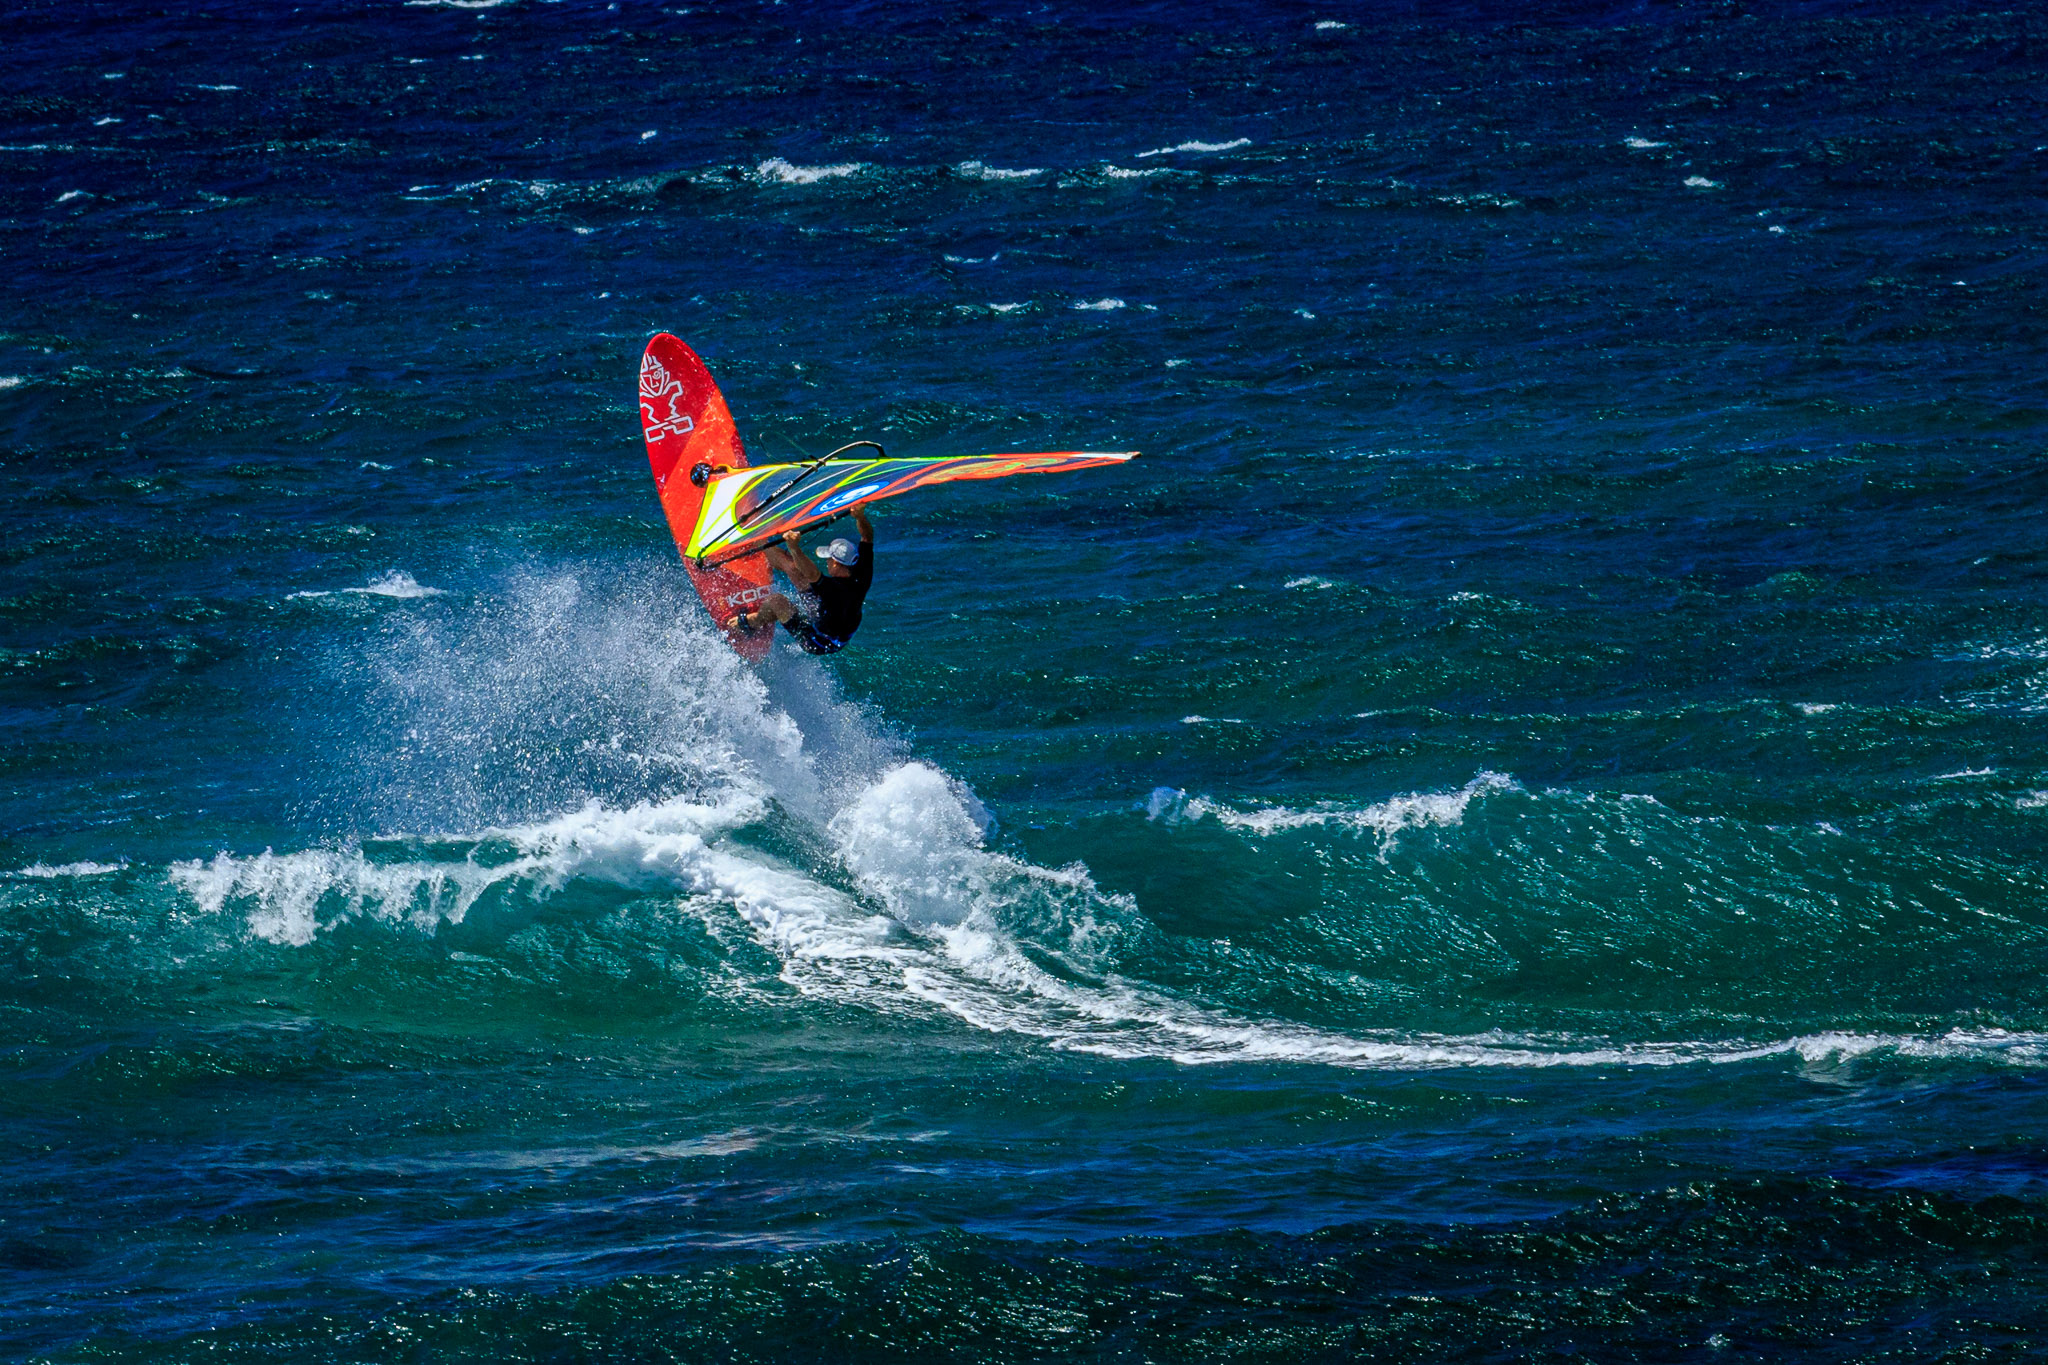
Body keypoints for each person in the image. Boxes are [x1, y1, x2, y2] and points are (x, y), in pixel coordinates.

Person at [731, 505, 874, 654]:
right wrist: (860, 516)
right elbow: (867, 537)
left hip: (820, 640)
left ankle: (751, 622)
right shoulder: (861, 570)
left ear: (837, 563)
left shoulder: (834, 590)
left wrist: (794, 547)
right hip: (830, 613)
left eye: (829, 560)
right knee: (792, 569)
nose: (827, 562)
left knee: (777, 602)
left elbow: (812, 574)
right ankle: (755, 535)